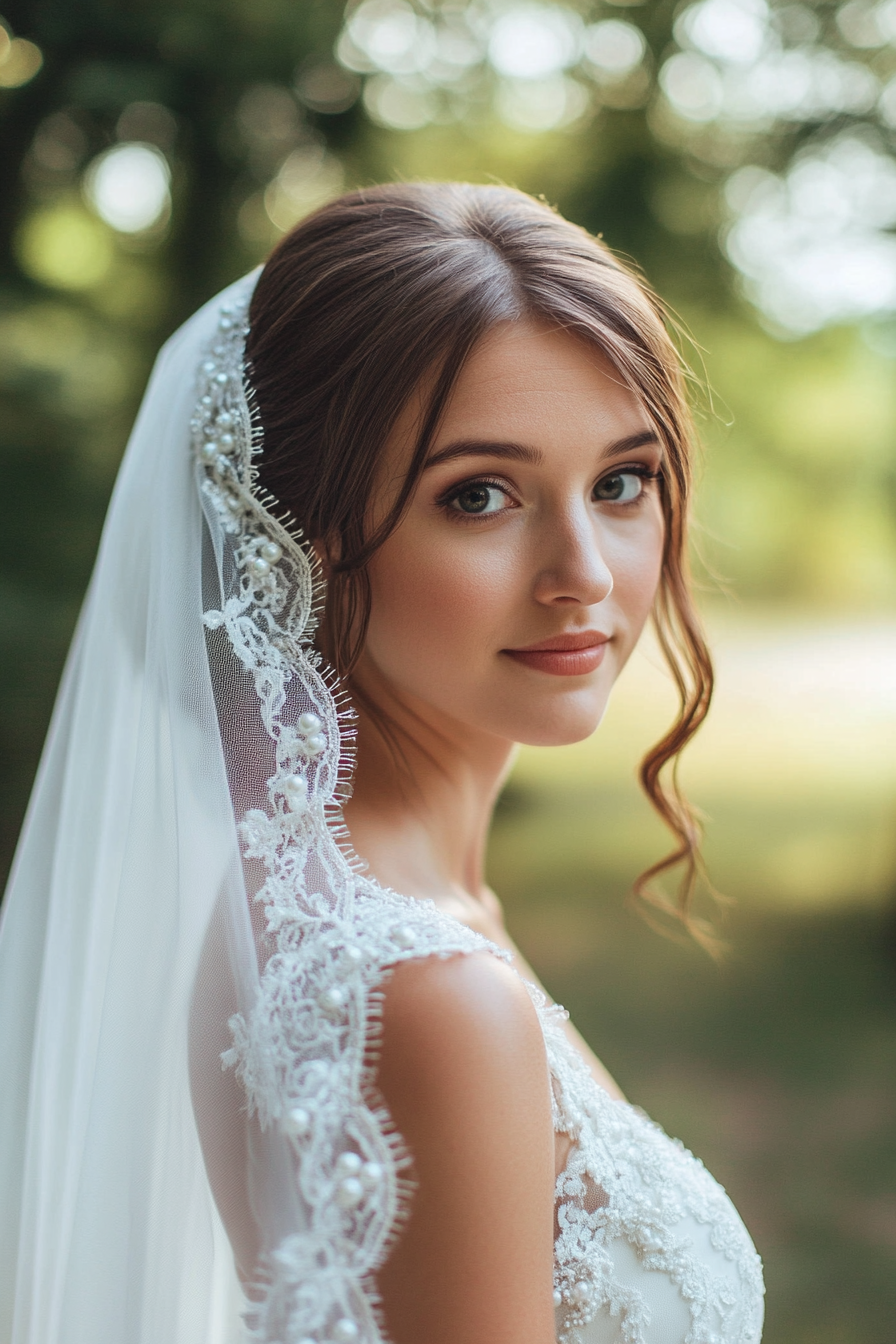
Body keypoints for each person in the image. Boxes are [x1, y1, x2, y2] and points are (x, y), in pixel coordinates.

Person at [0, 183, 764, 1344]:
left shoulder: (335, 915)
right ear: (291, 544)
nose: (585, 573)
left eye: (619, 482)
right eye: (479, 496)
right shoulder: (426, 992)